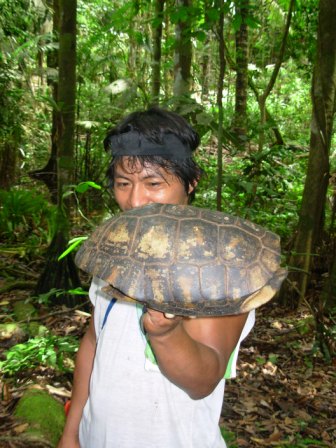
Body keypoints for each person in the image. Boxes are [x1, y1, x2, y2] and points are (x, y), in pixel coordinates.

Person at [57, 107, 255, 448]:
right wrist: (72, 432)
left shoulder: (222, 265)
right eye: (123, 183)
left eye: (153, 183)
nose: (135, 201)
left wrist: (165, 333)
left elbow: (202, 379)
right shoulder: (116, 252)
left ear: (191, 182)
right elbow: (93, 342)